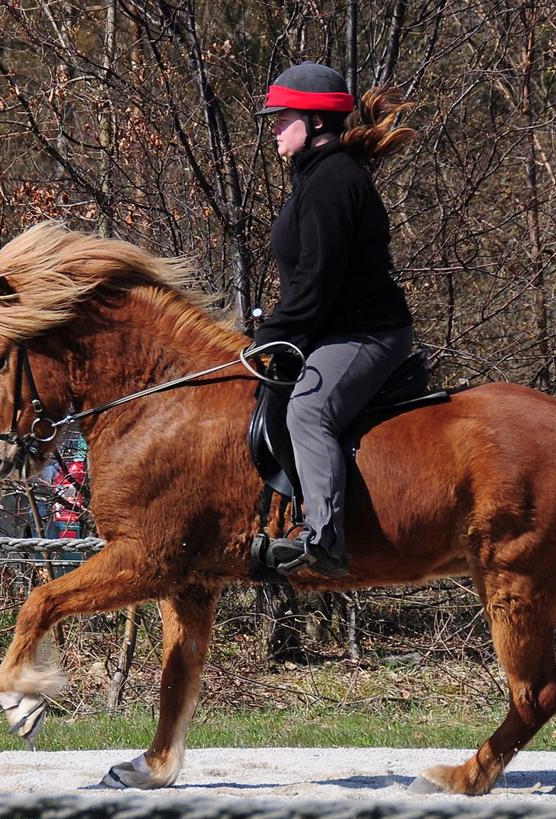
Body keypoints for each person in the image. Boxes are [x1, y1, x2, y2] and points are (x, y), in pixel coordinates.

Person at [252, 61, 417, 579]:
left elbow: (317, 279)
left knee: (306, 410)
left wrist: (273, 334)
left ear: (316, 122)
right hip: (334, 330)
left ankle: (323, 536)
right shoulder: (316, 178)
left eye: (282, 117)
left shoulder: (332, 181)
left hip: (366, 333)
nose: (274, 126)